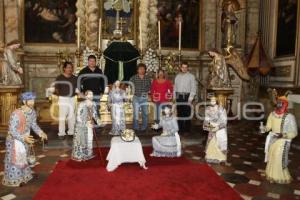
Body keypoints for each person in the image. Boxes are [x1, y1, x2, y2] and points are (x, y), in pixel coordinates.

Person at [2, 92, 48, 187]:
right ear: (24, 101)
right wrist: (23, 138)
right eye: (30, 100)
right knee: (16, 159)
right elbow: (12, 131)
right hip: (14, 141)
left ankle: (24, 175)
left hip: (26, 138)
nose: (32, 102)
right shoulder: (16, 114)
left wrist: (41, 133)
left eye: (33, 100)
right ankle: (14, 179)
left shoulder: (32, 112)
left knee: (24, 157)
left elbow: (33, 125)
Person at [262, 96, 297, 184]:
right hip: (272, 139)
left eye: (281, 103)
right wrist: (264, 129)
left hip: (283, 140)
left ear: (285, 104)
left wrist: (283, 135)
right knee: (272, 156)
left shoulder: (290, 117)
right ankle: (271, 174)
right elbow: (269, 127)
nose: (279, 105)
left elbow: (294, 132)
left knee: (278, 157)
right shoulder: (272, 114)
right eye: (278, 103)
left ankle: (279, 176)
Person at [72, 90, 102, 161]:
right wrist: (85, 123)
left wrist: (98, 121)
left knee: (89, 139)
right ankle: (80, 156)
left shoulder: (93, 103)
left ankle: (88, 154)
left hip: (89, 124)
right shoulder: (81, 104)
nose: (91, 96)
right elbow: (78, 116)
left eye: (92, 94)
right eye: (89, 94)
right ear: (85, 96)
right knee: (81, 141)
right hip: (81, 126)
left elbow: (94, 114)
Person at [54, 61, 78, 139]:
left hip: (72, 98)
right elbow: (57, 89)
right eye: (68, 67)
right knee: (62, 116)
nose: (70, 69)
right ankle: (61, 133)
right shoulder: (59, 77)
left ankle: (71, 132)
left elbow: (77, 89)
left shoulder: (75, 78)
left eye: (71, 67)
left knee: (72, 116)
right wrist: (60, 95)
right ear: (64, 68)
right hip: (63, 98)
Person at [203, 96, 228, 164]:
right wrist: (208, 125)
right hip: (212, 128)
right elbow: (206, 119)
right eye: (211, 100)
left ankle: (220, 157)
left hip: (219, 129)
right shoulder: (208, 109)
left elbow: (224, 121)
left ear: (216, 101)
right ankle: (210, 157)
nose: (212, 102)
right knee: (211, 143)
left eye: (214, 100)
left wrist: (218, 127)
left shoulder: (221, 109)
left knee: (219, 142)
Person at [174, 62, 197, 134]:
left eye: (186, 67)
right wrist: (174, 97)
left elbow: (193, 88)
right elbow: (175, 87)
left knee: (187, 113)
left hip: (187, 96)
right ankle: (180, 129)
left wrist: (190, 98)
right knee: (180, 113)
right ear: (181, 68)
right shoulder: (177, 76)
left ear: (188, 68)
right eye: (183, 67)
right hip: (179, 96)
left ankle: (187, 130)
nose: (184, 69)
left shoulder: (191, 76)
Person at [129, 63, 152, 132]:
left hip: (144, 97)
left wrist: (147, 93)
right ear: (137, 70)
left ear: (145, 70)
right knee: (135, 113)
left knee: (145, 113)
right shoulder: (133, 77)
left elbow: (149, 87)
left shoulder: (147, 78)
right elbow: (130, 85)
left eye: (143, 69)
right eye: (140, 69)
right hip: (136, 97)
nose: (142, 70)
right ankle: (136, 127)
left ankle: (144, 127)